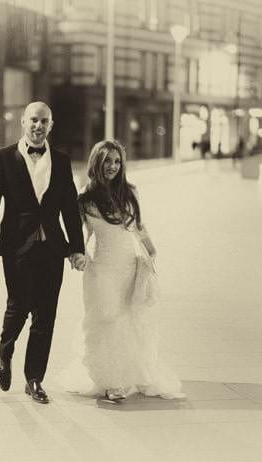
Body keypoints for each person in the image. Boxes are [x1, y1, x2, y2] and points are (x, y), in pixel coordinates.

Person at [0, 101, 85, 404]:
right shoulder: (3, 159)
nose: (39, 126)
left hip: (52, 249)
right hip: (16, 247)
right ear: (23, 122)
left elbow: (70, 210)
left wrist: (77, 248)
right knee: (18, 306)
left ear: (51, 125)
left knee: (46, 315)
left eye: (44, 121)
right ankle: (5, 352)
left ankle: (34, 379)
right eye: (34, 120)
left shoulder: (61, 162)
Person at [60, 140, 185, 403]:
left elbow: (139, 227)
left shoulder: (130, 192)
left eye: (117, 162)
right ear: (97, 162)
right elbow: (82, 233)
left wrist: (151, 251)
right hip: (100, 266)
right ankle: (108, 380)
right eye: (107, 161)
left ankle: (126, 374)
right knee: (106, 318)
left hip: (128, 264)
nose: (113, 167)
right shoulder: (85, 198)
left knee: (128, 319)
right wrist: (77, 254)